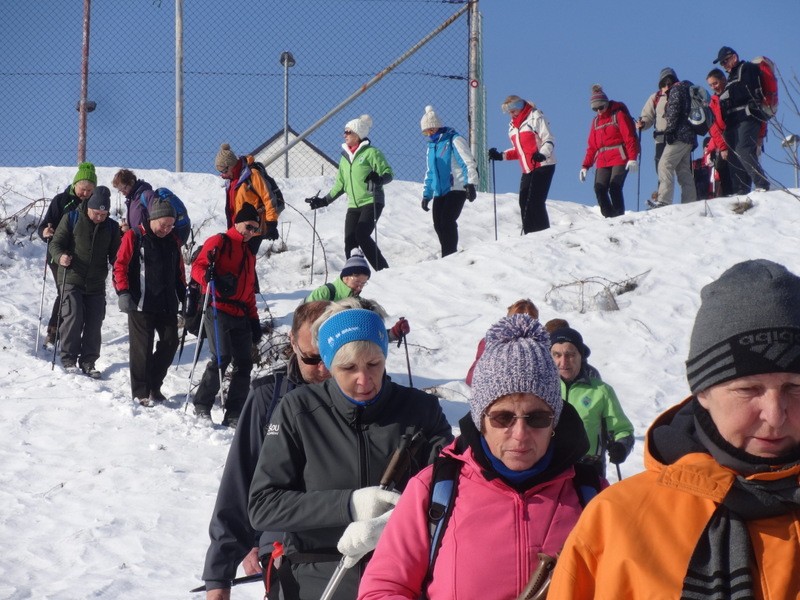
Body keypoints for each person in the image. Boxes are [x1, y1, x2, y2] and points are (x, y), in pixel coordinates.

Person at [550, 259, 800, 598]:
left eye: (795, 388)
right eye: (748, 389)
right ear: (702, 392)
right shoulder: (616, 522)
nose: (775, 414)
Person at [357, 314, 605, 600]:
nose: (520, 433)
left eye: (537, 418)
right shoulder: (433, 491)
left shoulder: (592, 495)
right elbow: (383, 589)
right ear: (481, 420)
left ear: (555, 420)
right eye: (503, 417)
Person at [248, 303, 453, 600]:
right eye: (348, 368)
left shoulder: (421, 410)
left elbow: (450, 489)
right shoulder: (299, 410)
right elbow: (263, 505)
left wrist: (396, 519)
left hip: (399, 579)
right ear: (329, 366)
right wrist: (350, 505)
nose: (363, 379)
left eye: (373, 364)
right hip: (316, 582)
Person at [201, 300, 332, 600]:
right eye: (312, 359)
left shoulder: (364, 401)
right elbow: (238, 485)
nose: (324, 369)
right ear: (293, 343)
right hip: (284, 552)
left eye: (331, 356)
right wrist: (218, 577)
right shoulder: (268, 398)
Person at [190, 203, 261, 427]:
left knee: (244, 363)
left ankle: (233, 413)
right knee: (221, 358)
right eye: (248, 226)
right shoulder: (219, 241)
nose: (251, 232)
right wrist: (208, 277)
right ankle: (202, 405)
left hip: (240, 312)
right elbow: (197, 268)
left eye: (255, 229)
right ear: (237, 222)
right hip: (216, 307)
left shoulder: (250, 254)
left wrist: (254, 319)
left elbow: (249, 290)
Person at [113, 199, 186, 405]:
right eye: (163, 224)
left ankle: (154, 384)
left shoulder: (173, 240)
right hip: (141, 302)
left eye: (170, 225)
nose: (166, 229)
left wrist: (185, 297)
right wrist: (124, 292)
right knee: (141, 350)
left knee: (170, 343)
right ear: (153, 219)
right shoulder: (134, 236)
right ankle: (141, 392)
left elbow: (179, 272)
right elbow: (120, 266)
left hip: (167, 302)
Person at [49, 185, 121, 377]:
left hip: (96, 282)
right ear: (89, 206)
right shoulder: (72, 218)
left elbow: (116, 256)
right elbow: (55, 243)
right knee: (73, 316)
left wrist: (121, 267)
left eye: (103, 215)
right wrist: (60, 257)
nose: (99, 217)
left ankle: (89, 361)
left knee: (94, 321)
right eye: (96, 213)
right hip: (71, 276)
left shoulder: (112, 228)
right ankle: (69, 358)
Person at [305, 115, 393, 271]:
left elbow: (388, 173)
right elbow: (340, 184)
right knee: (349, 240)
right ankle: (355, 274)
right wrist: (323, 201)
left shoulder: (371, 152)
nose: (344, 134)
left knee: (362, 234)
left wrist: (378, 179)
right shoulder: (345, 158)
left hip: (372, 201)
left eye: (348, 132)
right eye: (344, 132)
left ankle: (383, 270)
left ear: (357, 134)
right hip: (354, 205)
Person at [550, 327, 634, 476]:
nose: (563, 362)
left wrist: (621, 447)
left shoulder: (601, 390)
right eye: (557, 355)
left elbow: (622, 430)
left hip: (587, 469)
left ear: (580, 356)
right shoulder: (542, 388)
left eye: (570, 354)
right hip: (549, 468)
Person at [37, 162, 97, 346]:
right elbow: (45, 224)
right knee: (64, 290)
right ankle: (54, 330)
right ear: (74, 184)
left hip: (81, 257)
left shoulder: (93, 204)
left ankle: (70, 329)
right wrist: (45, 232)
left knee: (75, 293)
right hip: (58, 253)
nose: (85, 193)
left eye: (89, 190)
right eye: (82, 188)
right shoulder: (61, 200)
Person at [488, 95, 556, 234]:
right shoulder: (512, 127)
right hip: (527, 169)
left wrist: (542, 153)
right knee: (524, 201)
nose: (512, 114)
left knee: (535, 201)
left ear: (521, 106)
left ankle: (543, 234)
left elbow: (548, 139)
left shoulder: (535, 116)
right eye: (509, 112)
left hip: (543, 164)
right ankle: (530, 234)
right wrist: (501, 156)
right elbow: (519, 151)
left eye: (514, 110)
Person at [419, 105, 479, 257]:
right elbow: (430, 172)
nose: (429, 133)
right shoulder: (431, 146)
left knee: (447, 220)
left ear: (438, 126)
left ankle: (450, 254)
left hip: (456, 187)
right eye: (426, 131)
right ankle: (447, 254)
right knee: (438, 224)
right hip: (440, 190)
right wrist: (427, 195)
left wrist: (470, 183)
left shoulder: (454, 139)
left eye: (431, 129)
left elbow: (467, 161)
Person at [713, 46, 770, 194]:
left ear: (734, 57)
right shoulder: (731, 76)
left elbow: (748, 91)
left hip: (748, 116)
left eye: (725, 61)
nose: (724, 65)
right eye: (722, 63)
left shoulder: (748, 68)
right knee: (733, 154)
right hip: (733, 120)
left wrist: (728, 96)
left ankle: (761, 183)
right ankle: (740, 189)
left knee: (743, 149)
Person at [579, 85, 639, 218]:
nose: (599, 111)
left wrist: (632, 158)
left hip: (620, 156)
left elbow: (629, 138)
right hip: (602, 159)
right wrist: (585, 166)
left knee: (614, 187)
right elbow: (592, 146)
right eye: (595, 109)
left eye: (601, 107)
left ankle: (618, 216)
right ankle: (609, 216)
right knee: (599, 188)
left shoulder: (618, 116)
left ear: (606, 104)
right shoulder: (595, 122)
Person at [215, 143, 281, 256]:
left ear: (231, 166)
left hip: (253, 229)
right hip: (238, 229)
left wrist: (271, 223)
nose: (223, 175)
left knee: (245, 262)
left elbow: (268, 199)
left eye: (224, 171)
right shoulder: (232, 180)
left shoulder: (252, 175)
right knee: (240, 263)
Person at [649, 68, 698, 208]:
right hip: (690, 136)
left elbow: (674, 111)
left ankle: (664, 200)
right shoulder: (688, 88)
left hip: (679, 135)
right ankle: (690, 202)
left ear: (669, 82)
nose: (664, 88)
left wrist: (669, 131)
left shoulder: (676, 90)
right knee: (683, 170)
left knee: (664, 164)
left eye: (665, 84)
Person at [465, 298, 539, 386]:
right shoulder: (491, 342)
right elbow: (473, 377)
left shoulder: (539, 347)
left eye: (527, 324)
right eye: (516, 323)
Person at [636, 68, 673, 177]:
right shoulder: (655, 97)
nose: (667, 86)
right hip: (661, 139)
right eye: (664, 83)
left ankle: (687, 194)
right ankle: (662, 194)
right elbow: (647, 116)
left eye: (670, 83)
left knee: (682, 170)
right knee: (661, 170)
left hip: (679, 138)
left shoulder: (681, 96)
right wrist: (643, 124)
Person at [706, 68, 733, 197]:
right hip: (723, 139)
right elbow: (713, 127)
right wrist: (722, 147)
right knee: (722, 167)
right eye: (711, 85)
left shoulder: (733, 92)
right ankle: (729, 195)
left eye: (715, 83)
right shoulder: (713, 102)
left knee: (738, 166)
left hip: (735, 133)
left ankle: (741, 192)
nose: (713, 87)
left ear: (723, 80)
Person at [305, 250, 371, 302]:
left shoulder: (358, 302)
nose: (359, 287)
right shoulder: (323, 293)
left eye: (363, 283)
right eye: (357, 282)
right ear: (346, 277)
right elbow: (305, 317)